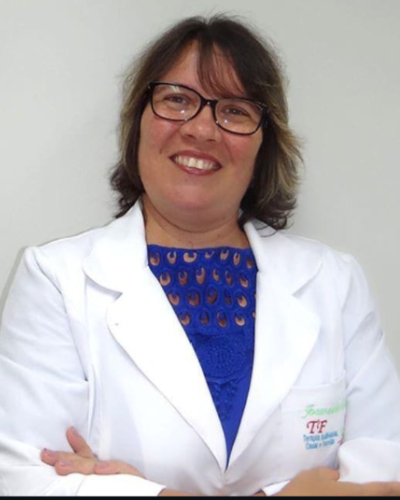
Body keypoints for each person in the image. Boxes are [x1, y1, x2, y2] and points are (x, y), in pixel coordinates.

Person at [0, 13, 400, 497]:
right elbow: (25, 480)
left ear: (264, 144)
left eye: (234, 111)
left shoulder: (333, 282)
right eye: (177, 100)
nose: (203, 129)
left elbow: (385, 472)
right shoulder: (56, 280)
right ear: (138, 123)